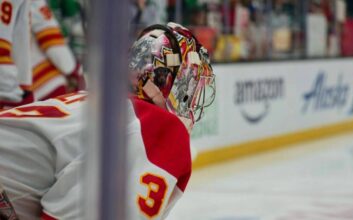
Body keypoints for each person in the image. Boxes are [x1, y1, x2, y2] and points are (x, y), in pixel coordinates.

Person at [0, 22, 215, 219]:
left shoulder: (109, 105)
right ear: (169, 80)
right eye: (190, 84)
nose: (192, 98)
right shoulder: (153, 125)